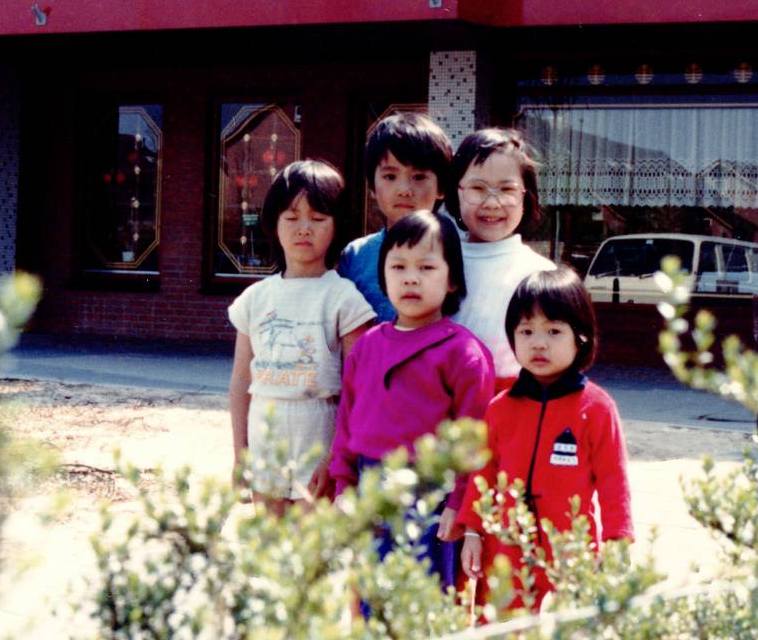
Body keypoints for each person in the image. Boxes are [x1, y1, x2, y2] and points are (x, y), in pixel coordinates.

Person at [329, 210, 494, 588]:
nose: (411, 277)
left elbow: (475, 444)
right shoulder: (367, 346)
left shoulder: (463, 353)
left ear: (452, 279)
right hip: (371, 488)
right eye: (398, 266)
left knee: (426, 605)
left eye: (426, 267)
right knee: (375, 599)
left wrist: (459, 505)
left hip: (432, 497)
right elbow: (347, 424)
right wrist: (344, 486)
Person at [457, 267, 633, 611]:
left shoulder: (596, 408)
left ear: (580, 337)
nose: (538, 343)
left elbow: (614, 481)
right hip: (504, 551)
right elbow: (483, 476)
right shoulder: (500, 408)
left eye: (553, 330)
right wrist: (473, 533)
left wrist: (617, 542)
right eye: (526, 331)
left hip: (570, 551)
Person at [228, 159, 375, 515]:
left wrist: (335, 458)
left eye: (318, 219)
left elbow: (358, 387)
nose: (304, 229)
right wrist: (240, 453)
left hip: (318, 433)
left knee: (311, 555)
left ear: (336, 225)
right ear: (274, 224)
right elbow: (240, 381)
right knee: (271, 554)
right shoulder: (256, 298)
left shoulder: (344, 298)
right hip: (266, 435)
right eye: (292, 218)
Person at [445, 128, 555, 393]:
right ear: (456, 192)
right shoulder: (438, 260)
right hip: (439, 406)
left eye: (506, 189)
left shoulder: (540, 273)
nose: (492, 203)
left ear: (525, 197)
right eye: (478, 188)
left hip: (514, 406)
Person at [337, 111, 453, 323]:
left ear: (441, 187)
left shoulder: (457, 253)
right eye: (390, 176)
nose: (404, 190)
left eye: (418, 177)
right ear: (372, 186)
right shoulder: (355, 256)